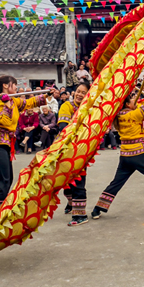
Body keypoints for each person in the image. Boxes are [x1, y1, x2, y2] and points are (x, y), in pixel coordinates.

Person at [92, 77, 144, 219]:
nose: (135, 100)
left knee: (116, 182)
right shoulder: (134, 114)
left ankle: (98, 208)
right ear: (127, 104)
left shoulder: (118, 117)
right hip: (139, 154)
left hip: (125, 155)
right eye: (133, 99)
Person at [0, 76, 47, 214]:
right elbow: (4, 121)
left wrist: (46, 94)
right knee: (2, 181)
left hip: (4, 142)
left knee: (8, 179)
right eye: (14, 85)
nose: (17, 88)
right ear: (6, 86)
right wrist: (7, 105)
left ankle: (1, 211)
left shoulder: (12, 100)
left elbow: (28, 103)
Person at [57, 82, 90, 226]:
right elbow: (63, 127)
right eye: (78, 91)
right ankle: (71, 204)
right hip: (66, 147)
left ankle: (80, 215)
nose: (80, 94)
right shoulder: (67, 106)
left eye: (84, 92)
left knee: (78, 180)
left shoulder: (90, 109)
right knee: (65, 180)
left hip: (81, 149)